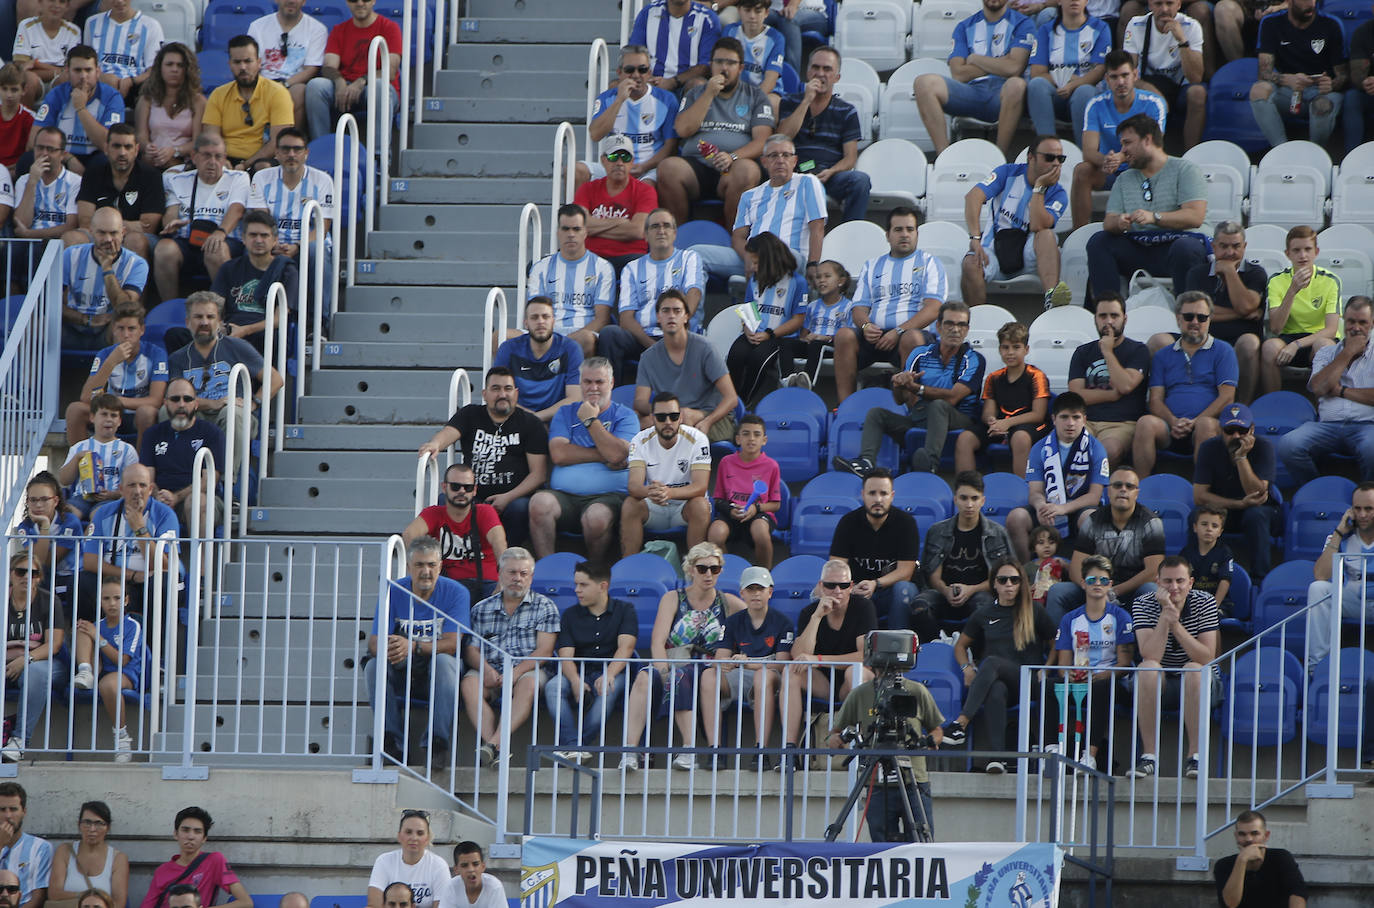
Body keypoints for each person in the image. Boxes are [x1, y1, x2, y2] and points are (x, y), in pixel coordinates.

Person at [622, 542, 744, 771]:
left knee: (680, 677)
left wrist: (739, 655)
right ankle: (630, 751)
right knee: (643, 678)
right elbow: (657, 642)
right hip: (672, 660)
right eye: (702, 568)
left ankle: (688, 750)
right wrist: (662, 669)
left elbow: (755, 622)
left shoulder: (728, 602)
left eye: (714, 569)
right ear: (690, 569)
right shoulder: (673, 598)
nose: (708, 574)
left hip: (709, 668)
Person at [834, 302, 983, 475]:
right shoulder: (920, 353)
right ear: (939, 326)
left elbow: (952, 399)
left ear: (967, 329)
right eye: (949, 323)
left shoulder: (974, 359)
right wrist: (898, 384)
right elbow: (900, 399)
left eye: (961, 325)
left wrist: (917, 389)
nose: (955, 329)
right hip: (921, 418)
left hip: (959, 419)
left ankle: (929, 464)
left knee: (939, 406)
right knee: (876, 414)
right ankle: (866, 462)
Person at [939, 559, 1057, 773]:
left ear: (1021, 583)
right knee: (995, 690)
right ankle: (997, 758)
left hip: (1029, 680)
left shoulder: (1034, 611)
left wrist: (1046, 668)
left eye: (1014, 580)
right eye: (1003, 580)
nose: (1009, 584)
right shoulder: (984, 613)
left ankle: (961, 724)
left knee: (991, 662)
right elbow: (960, 646)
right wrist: (966, 667)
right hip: (1000, 683)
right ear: (995, 584)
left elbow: (1056, 643)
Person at [825, 635, 944, 840]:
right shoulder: (860, 694)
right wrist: (837, 741)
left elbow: (937, 730)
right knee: (880, 843)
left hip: (914, 780)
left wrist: (928, 741)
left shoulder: (917, 691)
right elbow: (833, 734)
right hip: (876, 782)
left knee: (921, 842)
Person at [417, 367, 549, 546]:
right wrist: (435, 444)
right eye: (496, 389)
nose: (502, 394)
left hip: (512, 499)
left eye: (508, 389)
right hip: (471, 494)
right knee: (444, 500)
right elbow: (449, 433)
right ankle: (456, 559)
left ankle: (502, 561)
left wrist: (508, 497)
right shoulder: (471, 414)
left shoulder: (530, 423)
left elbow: (538, 474)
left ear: (516, 394)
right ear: (485, 394)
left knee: (521, 508)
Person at [1085, 113, 1208, 303]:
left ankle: (1187, 313)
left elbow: (1195, 216)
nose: (1122, 151)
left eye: (1127, 143)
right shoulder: (1124, 177)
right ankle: (1108, 310)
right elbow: (1109, 221)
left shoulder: (1185, 169)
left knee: (1186, 248)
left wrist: (1155, 217)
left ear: (1147, 140)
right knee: (1099, 241)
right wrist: (1119, 222)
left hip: (1176, 247)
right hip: (1140, 248)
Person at [366, 537, 466, 763]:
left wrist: (413, 646)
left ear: (440, 566)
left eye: (432, 565)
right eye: (419, 565)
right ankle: (392, 744)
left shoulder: (456, 592)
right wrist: (393, 648)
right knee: (374, 666)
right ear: (409, 567)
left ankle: (436, 743)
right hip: (404, 668)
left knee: (444, 662)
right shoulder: (393, 590)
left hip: (439, 672)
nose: (426, 572)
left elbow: (453, 644)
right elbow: (374, 643)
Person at [656, 37, 774, 228]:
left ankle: (736, 238)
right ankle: (677, 240)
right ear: (711, 65)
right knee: (668, 168)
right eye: (719, 62)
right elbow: (683, 129)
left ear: (741, 68)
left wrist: (733, 157)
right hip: (697, 167)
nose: (724, 68)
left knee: (748, 170)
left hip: (733, 167)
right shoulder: (696, 93)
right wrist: (709, 94)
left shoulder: (755, 96)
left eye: (730, 63)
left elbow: (762, 141)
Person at [833, 208, 947, 403]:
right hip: (875, 336)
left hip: (911, 335)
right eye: (898, 229)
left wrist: (899, 330)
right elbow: (858, 308)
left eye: (910, 229)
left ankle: (912, 409)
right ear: (887, 235)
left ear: (917, 234)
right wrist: (866, 326)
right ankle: (846, 407)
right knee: (844, 335)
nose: (905, 234)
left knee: (911, 337)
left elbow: (934, 309)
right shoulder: (872, 265)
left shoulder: (930, 263)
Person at [528, 358, 637, 562]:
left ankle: (593, 570)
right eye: (587, 382)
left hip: (609, 496)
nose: (593, 388)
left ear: (611, 383)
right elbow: (559, 454)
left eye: (599, 382)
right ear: (580, 384)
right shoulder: (566, 412)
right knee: (539, 503)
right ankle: (548, 568)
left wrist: (590, 421)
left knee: (596, 518)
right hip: (564, 496)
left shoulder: (626, 416)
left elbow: (617, 455)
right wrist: (602, 454)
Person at [461, 548, 559, 768]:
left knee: (529, 684)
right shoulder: (481, 609)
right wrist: (485, 668)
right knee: (469, 683)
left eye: (524, 574)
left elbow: (544, 651)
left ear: (531, 577)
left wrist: (515, 672)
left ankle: (493, 745)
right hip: (491, 668)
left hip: (528, 669)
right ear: (499, 573)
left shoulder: (546, 607)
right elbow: (471, 650)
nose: (518, 578)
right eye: (512, 572)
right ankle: (493, 749)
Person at [778, 559, 878, 767]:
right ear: (821, 586)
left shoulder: (863, 607)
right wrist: (817, 617)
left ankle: (861, 749)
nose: (837, 591)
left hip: (852, 681)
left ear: (851, 587)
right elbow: (799, 655)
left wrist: (819, 659)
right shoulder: (810, 612)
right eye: (831, 585)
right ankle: (789, 751)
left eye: (843, 585)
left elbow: (865, 657)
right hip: (824, 682)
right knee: (791, 673)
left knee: (855, 673)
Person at [1128, 556, 1220, 779]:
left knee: (1194, 669)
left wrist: (1175, 625)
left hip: (1201, 682)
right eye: (1168, 581)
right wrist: (1165, 615)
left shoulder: (1205, 601)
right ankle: (1148, 757)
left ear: (1191, 582)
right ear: (1158, 582)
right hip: (1161, 682)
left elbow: (1206, 657)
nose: (1174, 587)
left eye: (1180, 581)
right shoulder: (1143, 603)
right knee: (1148, 668)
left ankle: (1195, 756)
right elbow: (1150, 654)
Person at [693, 133, 824, 285]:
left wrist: (813, 264)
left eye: (786, 155)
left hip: (790, 257)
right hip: (754, 257)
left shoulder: (807, 182)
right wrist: (749, 257)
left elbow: (817, 227)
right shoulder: (750, 195)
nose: (780, 160)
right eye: (773, 155)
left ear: (794, 161)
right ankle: (688, 309)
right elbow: (738, 237)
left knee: (774, 254)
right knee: (695, 254)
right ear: (764, 162)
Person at [1042, 466, 1165, 624]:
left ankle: (1144, 647)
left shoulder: (1151, 523)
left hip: (1132, 589)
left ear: (1137, 492)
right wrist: (1093, 589)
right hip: (1095, 586)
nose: (1123, 490)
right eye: (1117, 485)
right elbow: (1076, 568)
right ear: (1108, 491)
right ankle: (1056, 645)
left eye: (1129, 486)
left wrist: (1113, 592)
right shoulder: (1093, 521)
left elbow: (1153, 571)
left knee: (1151, 590)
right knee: (1057, 591)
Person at [1132, 291, 1237, 477]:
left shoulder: (1223, 351)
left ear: (1210, 319)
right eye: (1189, 316)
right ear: (1178, 318)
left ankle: (1203, 492)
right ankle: (1141, 490)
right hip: (1168, 426)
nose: (1195, 322)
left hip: (1205, 426)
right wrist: (1173, 421)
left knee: (1205, 425)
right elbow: (1155, 400)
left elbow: (1227, 397)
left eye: (1202, 317)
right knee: (1145, 423)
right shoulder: (1163, 355)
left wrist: (1195, 421)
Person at [961, 134, 1071, 311]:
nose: (1056, 163)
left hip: (1031, 258)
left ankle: (1051, 299)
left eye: (1061, 158)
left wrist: (1039, 188)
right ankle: (977, 318)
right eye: (1049, 157)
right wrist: (975, 237)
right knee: (969, 263)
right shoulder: (1007, 173)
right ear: (1031, 157)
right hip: (995, 249)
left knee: (1046, 235)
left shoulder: (1059, 194)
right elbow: (973, 197)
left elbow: (1038, 225)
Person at [1047, 554, 1136, 772]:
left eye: (1103, 580)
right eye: (1092, 580)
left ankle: (1089, 754)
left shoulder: (1121, 617)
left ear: (1110, 585)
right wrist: (1072, 675)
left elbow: (1124, 664)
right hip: (1078, 679)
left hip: (1110, 681)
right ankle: (1051, 750)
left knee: (1101, 687)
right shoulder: (1070, 619)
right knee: (1050, 686)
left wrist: (1103, 675)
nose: (1098, 584)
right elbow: (1063, 665)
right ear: (1083, 583)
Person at [541, 561, 637, 760]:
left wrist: (609, 673)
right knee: (553, 687)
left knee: (607, 690)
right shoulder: (569, 615)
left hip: (612, 671)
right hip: (577, 671)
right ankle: (572, 744)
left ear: (603, 586)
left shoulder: (625, 610)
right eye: (576, 584)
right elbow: (565, 655)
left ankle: (578, 746)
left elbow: (626, 648)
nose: (577, 590)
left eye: (583, 585)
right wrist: (575, 680)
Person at [913, 0, 1035, 155]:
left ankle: (999, 155)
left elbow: (1014, 68)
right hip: (971, 92)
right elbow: (958, 74)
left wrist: (976, 59)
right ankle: (944, 156)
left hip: (1004, 95)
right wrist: (1001, 62)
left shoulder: (1023, 24)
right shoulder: (964, 27)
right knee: (923, 83)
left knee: (1016, 85)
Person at [1006, 391, 1111, 568]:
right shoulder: (1040, 448)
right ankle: (1027, 572)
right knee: (1016, 518)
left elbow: (1094, 496)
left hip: (1079, 508)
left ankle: (1085, 573)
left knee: (1091, 518)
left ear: (1084, 419)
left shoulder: (1096, 448)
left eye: (1076, 417)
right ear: (1054, 419)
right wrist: (1041, 506)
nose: (1070, 423)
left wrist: (1062, 508)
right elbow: (1035, 492)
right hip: (1050, 508)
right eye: (1064, 417)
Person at [1279, 297, 1374, 486]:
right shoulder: (1326, 353)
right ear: (1343, 322)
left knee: (1372, 448)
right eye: (1351, 322)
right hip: (1326, 426)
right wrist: (1347, 353)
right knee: (1288, 445)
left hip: (1367, 426)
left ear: (1372, 324)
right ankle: (1315, 489)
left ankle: (1367, 499)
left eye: (1362, 322)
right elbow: (1319, 387)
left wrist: (1340, 391)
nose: (1356, 328)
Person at [705, 565, 794, 767]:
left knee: (763, 676)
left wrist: (747, 663)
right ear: (742, 593)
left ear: (770, 592)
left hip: (769, 677)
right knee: (709, 676)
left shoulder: (782, 622)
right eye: (751, 589)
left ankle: (760, 750)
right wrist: (727, 664)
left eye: (760, 589)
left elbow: (780, 665)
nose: (755, 594)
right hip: (742, 675)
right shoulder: (733, 621)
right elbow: (720, 659)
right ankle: (714, 750)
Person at [913, 471, 1016, 643]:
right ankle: (939, 643)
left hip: (979, 593)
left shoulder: (997, 533)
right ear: (955, 499)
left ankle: (971, 654)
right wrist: (946, 590)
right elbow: (932, 575)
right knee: (919, 606)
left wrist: (971, 590)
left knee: (984, 606)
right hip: (943, 594)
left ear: (983, 500)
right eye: (964, 498)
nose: (969, 504)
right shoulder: (937, 531)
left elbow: (1001, 577)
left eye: (974, 498)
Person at [1071, 50, 1168, 230]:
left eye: (1125, 75)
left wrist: (1121, 157)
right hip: (1110, 170)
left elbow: (1154, 145)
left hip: (1143, 169)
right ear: (1107, 79)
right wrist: (1107, 161)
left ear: (1135, 75)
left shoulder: (1154, 103)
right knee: (1082, 170)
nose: (1121, 82)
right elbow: (1089, 151)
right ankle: (1078, 235)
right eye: (1114, 77)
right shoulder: (1096, 104)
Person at [600, 209, 705, 373]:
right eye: (655, 226)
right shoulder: (632, 268)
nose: (661, 231)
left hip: (678, 334)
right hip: (644, 338)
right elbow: (626, 319)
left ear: (675, 233)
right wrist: (652, 347)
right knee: (610, 334)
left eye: (666, 226)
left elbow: (693, 296)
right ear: (646, 235)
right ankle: (612, 394)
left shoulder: (688, 258)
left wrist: (674, 333)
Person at [166, 291, 286, 434]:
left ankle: (229, 458)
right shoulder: (177, 358)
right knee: (166, 411)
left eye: (210, 317)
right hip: (197, 414)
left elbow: (275, 379)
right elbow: (175, 399)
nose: (204, 322)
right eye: (198, 317)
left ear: (219, 322)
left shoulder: (237, 347)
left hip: (233, 414)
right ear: (187, 322)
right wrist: (214, 403)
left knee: (231, 413)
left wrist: (254, 403)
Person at [775, 46, 869, 225]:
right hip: (794, 173)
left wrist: (832, 171)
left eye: (827, 69)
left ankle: (850, 232)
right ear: (808, 72)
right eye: (816, 68)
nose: (820, 73)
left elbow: (850, 158)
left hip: (829, 174)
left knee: (860, 181)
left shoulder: (847, 111)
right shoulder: (789, 101)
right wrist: (807, 101)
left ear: (837, 77)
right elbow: (781, 139)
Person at [632, 289, 739, 441]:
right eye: (665, 311)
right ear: (658, 317)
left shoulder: (705, 348)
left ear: (686, 317)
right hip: (673, 418)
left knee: (685, 418)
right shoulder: (648, 357)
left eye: (677, 311)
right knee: (641, 423)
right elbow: (640, 401)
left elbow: (731, 398)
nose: (671, 315)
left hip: (712, 418)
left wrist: (707, 420)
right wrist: (666, 412)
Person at [154, 133, 250, 298]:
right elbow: (171, 212)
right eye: (206, 155)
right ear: (194, 156)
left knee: (215, 248)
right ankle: (169, 308)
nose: (212, 162)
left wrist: (220, 232)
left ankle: (227, 309)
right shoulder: (177, 180)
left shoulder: (238, 178)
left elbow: (237, 209)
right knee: (164, 249)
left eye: (218, 156)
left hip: (225, 240)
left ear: (225, 158)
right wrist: (171, 223)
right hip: (187, 241)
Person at [1179, 221, 1265, 402]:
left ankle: (1244, 405)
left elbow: (1245, 304)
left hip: (1241, 339)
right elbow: (1195, 313)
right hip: (1203, 337)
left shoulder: (1255, 273)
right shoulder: (1197, 273)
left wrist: (1230, 273)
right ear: (1213, 246)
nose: (1230, 252)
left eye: (1236, 246)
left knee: (1249, 343)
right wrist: (1241, 314)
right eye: (1224, 246)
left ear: (1245, 246)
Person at [827, 469, 920, 633]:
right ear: (863, 494)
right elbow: (836, 566)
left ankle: (897, 644)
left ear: (892, 495)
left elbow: (906, 572)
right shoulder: (848, 523)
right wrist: (848, 588)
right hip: (855, 590)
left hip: (888, 591)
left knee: (904, 588)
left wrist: (875, 584)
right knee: (821, 592)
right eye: (872, 493)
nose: (878, 499)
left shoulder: (906, 523)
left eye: (883, 493)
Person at [1194, 403, 1280, 578]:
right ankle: (1197, 574)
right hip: (1226, 509)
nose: (1236, 436)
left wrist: (1241, 457)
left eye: (1242, 431)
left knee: (1255, 515)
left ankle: (1259, 578)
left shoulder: (1264, 447)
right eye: (1230, 431)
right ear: (1220, 430)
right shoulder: (1208, 448)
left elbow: (1256, 493)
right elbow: (1199, 496)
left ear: (1252, 430)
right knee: (1197, 517)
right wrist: (1239, 504)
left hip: (1262, 510)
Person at [955, 321, 1051, 477]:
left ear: (1026, 350)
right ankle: (968, 491)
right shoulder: (994, 378)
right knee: (965, 438)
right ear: (1000, 350)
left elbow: (1038, 414)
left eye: (1016, 347)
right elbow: (987, 412)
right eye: (1005, 347)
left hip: (1031, 426)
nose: (1010, 352)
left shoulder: (1036, 376)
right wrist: (993, 422)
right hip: (1001, 425)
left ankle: (1022, 493)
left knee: (1020, 438)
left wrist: (1006, 423)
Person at [622, 391, 712, 556]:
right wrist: (652, 492)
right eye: (661, 417)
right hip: (655, 504)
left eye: (673, 416)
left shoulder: (698, 439)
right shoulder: (639, 440)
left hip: (685, 506)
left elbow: (700, 487)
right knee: (630, 504)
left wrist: (669, 493)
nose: (668, 422)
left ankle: (696, 567)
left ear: (681, 417)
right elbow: (634, 486)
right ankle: (629, 567)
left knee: (700, 505)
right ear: (652, 418)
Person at [82, 463, 180, 614]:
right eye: (131, 485)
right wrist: (132, 575)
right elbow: (89, 561)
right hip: (118, 580)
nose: (137, 491)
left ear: (151, 489)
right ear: (121, 489)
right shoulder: (103, 513)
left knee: (160, 583)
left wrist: (140, 529)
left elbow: (165, 565)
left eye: (142, 485)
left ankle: (154, 638)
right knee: (83, 581)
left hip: (153, 581)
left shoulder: (165, 515)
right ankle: (89, 634)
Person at [402, 463, 506, 604]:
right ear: (444, 487)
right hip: (447, 585)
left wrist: (503, 580)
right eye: (455, 486)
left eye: (467, 487)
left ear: (474, 490)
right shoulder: (434, 513)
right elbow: (409, 534)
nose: (462, 491)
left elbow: (499, 541)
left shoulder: (485, 512)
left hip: (487, 586)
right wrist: (418, 573)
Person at [1249, 0, 1347, 148]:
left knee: (1322, 105)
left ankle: (1315, 152)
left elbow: (1344, 75)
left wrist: (1332, 84)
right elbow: (1263, 73)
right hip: (1289, 91)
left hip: (1322, 92)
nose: (1311, 5)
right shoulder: (1271, 23)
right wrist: (1286, 79)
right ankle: (1282, 150)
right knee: (1259, 90)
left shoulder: (1331, 24)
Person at [306, 0, 400, 151]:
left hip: (377, 90)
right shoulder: (340, 30)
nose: (360, 3)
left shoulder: (389, 27)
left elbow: (390, 71)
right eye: (353, 0)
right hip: (344, 89)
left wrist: (361, 81)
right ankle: (320, 150)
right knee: (315, 86)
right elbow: (329, 66)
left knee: (378, 87)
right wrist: (339, 81)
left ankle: (378, 156)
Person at [727, 231, 806, 406]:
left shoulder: (797, 282)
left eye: (755, 262)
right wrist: (748, 329)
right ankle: (730, 400)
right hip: (754, 334)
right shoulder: (754, 280)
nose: (752, 267)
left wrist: (770, 334)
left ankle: (743, 401)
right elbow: (749, 308)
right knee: (736, 354)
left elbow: (798, 319)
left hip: (778, 337)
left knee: (758, 360)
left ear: (769, 259)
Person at [1259, 226, 1339, 398]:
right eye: (1296, 250)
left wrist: (1297, 345)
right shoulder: (1276, 280)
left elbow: (1331, 329)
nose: (1302, 255)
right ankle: (1273, 405)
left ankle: (1322, 408)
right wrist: (1292, 291)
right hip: (1289, 336)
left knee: (1325, 346)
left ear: (1316, 252)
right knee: (1269, 347)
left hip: (1318, 338)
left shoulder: (1331, 281)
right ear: (1288, 254)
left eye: (1307, 249)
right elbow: (1276, 328)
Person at [139, 377, 228, 532]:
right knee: (137, 499)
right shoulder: (152, 434)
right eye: (175, 399)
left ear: (196, 404)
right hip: (160, 499)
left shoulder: (212, 433)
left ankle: (199, 556)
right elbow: (148, 477)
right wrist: (157, 495)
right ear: (165, 403)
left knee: (196, 501)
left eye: (187, 399)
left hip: (200, 498)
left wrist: (176, 497)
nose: (181, 404)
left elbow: (209, 481)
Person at [527, 204, 616, 358]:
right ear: (558, 232)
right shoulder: (540, 268)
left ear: (585, 232)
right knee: (499, 338)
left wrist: (564, 342)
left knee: (587, 339)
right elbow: (535, 312)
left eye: (576, 229)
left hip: (582, 332)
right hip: (545, 332)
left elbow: (602, 319)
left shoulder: (603, 268)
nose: (571, 234)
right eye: (566, 229)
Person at [581, 45, 678, 186]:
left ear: (649, 73)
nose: (636, 75)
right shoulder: (606, 98)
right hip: (613, 166)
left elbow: (671, 147)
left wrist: (644, 167)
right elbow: (595, 134)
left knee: (646, 186)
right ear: (619, 72)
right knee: (578, 171)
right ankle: (574, 209)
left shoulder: (667, 100)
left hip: (649, 169)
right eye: (629, 70)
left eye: (642, 70)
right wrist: (620, 100)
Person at [72, 580, 148, 761]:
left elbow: (122, 661)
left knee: (107, 685)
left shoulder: (132, 625)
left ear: (126, 600)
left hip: (127, 673)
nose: (112, 603)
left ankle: (122, 739)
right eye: (106, 598)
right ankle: (85, 671)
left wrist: (98, 637)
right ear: (99, 601)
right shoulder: (97, 624)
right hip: (102, 670)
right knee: (83, 628)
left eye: (117, 598)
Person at [1, 554, 66, 764]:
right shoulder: (2, 599)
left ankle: (19, 739)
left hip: (42, 661)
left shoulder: (49, 600)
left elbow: (54, 644)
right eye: (21, 571)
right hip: (7, 662)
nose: (27, 577)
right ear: (11, 574)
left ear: (40, 577)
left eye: (33, 573)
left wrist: (25, 659)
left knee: (35, 673)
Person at [1305, 482, 1374, 669]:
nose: (1362, 515)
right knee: (1318, 589)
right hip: (1354, 599)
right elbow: (1320, 574)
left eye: (1369, 509)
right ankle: (1317, 666)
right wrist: (1338, 532)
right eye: (1357, 508)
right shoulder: (1340, 536)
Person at [60, 207, 147, 353]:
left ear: (123, 233)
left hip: (109, 328)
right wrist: (85, 318)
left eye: (113, 233)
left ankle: (117, 375)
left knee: (124, 327)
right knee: (36, 325)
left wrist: (107, 267)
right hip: (72, 323)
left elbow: (124, 307)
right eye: (101, 232)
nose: (108, 239)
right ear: (91, 231)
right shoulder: (70, 255)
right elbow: (50, 303)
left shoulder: (137, 263)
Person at [209, 210, 299, 352]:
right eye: (253, 235)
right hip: (232, 328)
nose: (258, 240)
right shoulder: (229, 268)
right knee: (177, 335)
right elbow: (214, 305)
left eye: (264, 235)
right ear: (243, 238)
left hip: (264, 331)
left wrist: (245, 331)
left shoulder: (287, 271)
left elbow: (278, 320)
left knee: (268, 339)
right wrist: (219, 324)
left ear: (275, 240)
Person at [1122, 0, 1208, 148]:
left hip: (1180, 85)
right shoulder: (1136, 25)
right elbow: (1129, 72)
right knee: (1128, 86)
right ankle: (1147, 152)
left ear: (1179, 5)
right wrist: (1155, 96)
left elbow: (1195, 77)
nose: (1164, 9)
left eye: (1170, 3)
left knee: (1198, 92)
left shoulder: (1191, 26)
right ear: (1150, 5)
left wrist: (1181, 40)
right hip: (1148, 84)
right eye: (1158, 3)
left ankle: (1191, 153)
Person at [70, 124, 163, 259]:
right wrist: (118, 229)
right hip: (98, 234)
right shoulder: (93, 173)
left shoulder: (151, 176)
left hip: (137, 238)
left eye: (128, 147)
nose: (122, 153)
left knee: (134, 240)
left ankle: (132, 281)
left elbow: (148, 227)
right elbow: (85, 221)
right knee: (72, 237)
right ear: (106, 148)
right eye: (116, 146)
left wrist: (105, 228)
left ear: (136, 150)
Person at [28, 45, 124, 174]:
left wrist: (81, 108)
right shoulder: (56, 95)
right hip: (61, 156)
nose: (83, 76)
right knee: (27, 160)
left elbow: (109, 145)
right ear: (67, 71)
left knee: (106, 162)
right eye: (77, 70)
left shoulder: (112, 97)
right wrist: (68, 158)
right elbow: (34, 139)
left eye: (88, 70)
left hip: (95, 156)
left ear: (98, 72)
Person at [203, 35, 293, 172]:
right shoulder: (218, 95)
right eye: (237, 62)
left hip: (262, 160)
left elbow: (278, 142)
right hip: (225, 159)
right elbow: (211, 136)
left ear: (259, 63)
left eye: (248, 61)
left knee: (262, 168)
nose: (243, 67)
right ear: (230, 64)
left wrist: (245, 165)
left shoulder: (278, 93)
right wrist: (221, 160)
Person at [1026, 0, 1111, 141]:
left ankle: (1085, 156)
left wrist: (1072, 85)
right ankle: (1048, 147)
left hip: (1087, 93)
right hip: (1056, 93)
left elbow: (1100, 71)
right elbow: (1037, 72)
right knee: (1036, 85)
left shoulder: (1100, 28)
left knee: (1084, 91)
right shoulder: (1046, 30)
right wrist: (1065, 80)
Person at [248, 125, 335, 261]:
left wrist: (297, 246)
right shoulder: (261, 178)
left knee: (314, 251)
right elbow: (261, 221)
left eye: (297, 149)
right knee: (253, 247)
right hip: (272, 243)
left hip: (307, 244)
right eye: (286, 149)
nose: (291, 154)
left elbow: (321, 228)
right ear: (276, 152)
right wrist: (273, 244)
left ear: (306, 153)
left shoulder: (323, 181)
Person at [572, 135, 656, 273]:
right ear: (603, 160)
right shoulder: (587, 189)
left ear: (632, 162)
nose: (620, 163)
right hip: (590, 257)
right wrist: (619, 222)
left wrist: (593, 227)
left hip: (630, 259)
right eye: (613, 157)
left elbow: (638, 231)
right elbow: (578, 225)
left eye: (625, 157)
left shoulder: (645, 191)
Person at [492, 297, 583, 423]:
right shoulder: (509, 349)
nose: (540, 322)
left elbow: (575, 398)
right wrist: (531, 421)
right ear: (526, 323)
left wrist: (537, 419)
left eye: (545, 317)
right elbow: (498, 394)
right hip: (517, 420)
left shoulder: (570, 349)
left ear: (553, 321)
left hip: (557, 422)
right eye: (534, 317)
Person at [138, 807, 252, 908]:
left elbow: (245, 903)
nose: (190, 836)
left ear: (204, 838)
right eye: (185, 830)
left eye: (197, 831)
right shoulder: (162, 871)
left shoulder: (214, 861)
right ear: (176, 834)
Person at [708, 415, 781, 566]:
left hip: (759, 514)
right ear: (738, 439)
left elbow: (775, 504)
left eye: (757, 434)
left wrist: (756, 508)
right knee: (715, 534)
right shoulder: (726, 462)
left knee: (760, 532)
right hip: (732, 513)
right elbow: (718, 499)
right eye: (746, 434)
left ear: (764, 440)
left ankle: (763, 576)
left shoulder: (771, 466)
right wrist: (730, 510)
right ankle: (728, 572)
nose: (751, 438)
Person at [58, 392, 140, 521]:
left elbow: (133, 484)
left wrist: (114, 494)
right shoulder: (79, 447)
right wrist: (76, 459)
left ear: (119, 421)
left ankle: (88, 541)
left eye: (113, 416)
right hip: (81, 497)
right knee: (68, 515)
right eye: (104, 414)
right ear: (92, 417)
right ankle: (67, 541)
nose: (108, 419)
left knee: (98, 516)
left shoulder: (127, 450)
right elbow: (64, 480)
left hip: (110, 499)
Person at [248, 0, 328, 130]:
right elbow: (251, 63)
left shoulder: (317, 29)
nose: (291, 1)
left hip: (292, 84)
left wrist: (284, 85)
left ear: (304, 1)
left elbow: (311, 69)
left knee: (300, 91)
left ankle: (290, 141)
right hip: (262, 83)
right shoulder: (257, 26)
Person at [13, 473, 83, 618]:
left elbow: (48, 561)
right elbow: (36, 562)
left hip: (71, 576)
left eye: (44, 499)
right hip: (45, 577)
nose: (38, 505)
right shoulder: (25, 526)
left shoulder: (71, 522)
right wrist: (45, 525)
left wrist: (44, 526)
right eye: (33, 500)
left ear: (56, 500)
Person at [1214, 810, 1308, 908]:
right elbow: (1230, 903)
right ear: (1236, 836)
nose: (1248, 839)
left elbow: (1298, 894)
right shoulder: (1223, 865)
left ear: (1266, 836)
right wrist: (1241, 860)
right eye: (1242, 834)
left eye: (1254, 833)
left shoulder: (1281, 858)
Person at [133, 43, 205, 171]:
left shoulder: (199, 101)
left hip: (184, 164)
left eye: (180, 65)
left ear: (187, 69)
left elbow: (198, 142)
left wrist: (175, 151)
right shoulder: (146, 99)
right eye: (169, 64)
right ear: (160, 68)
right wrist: (147, 147)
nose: (174, 69)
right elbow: (141, 135)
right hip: (152, 162)